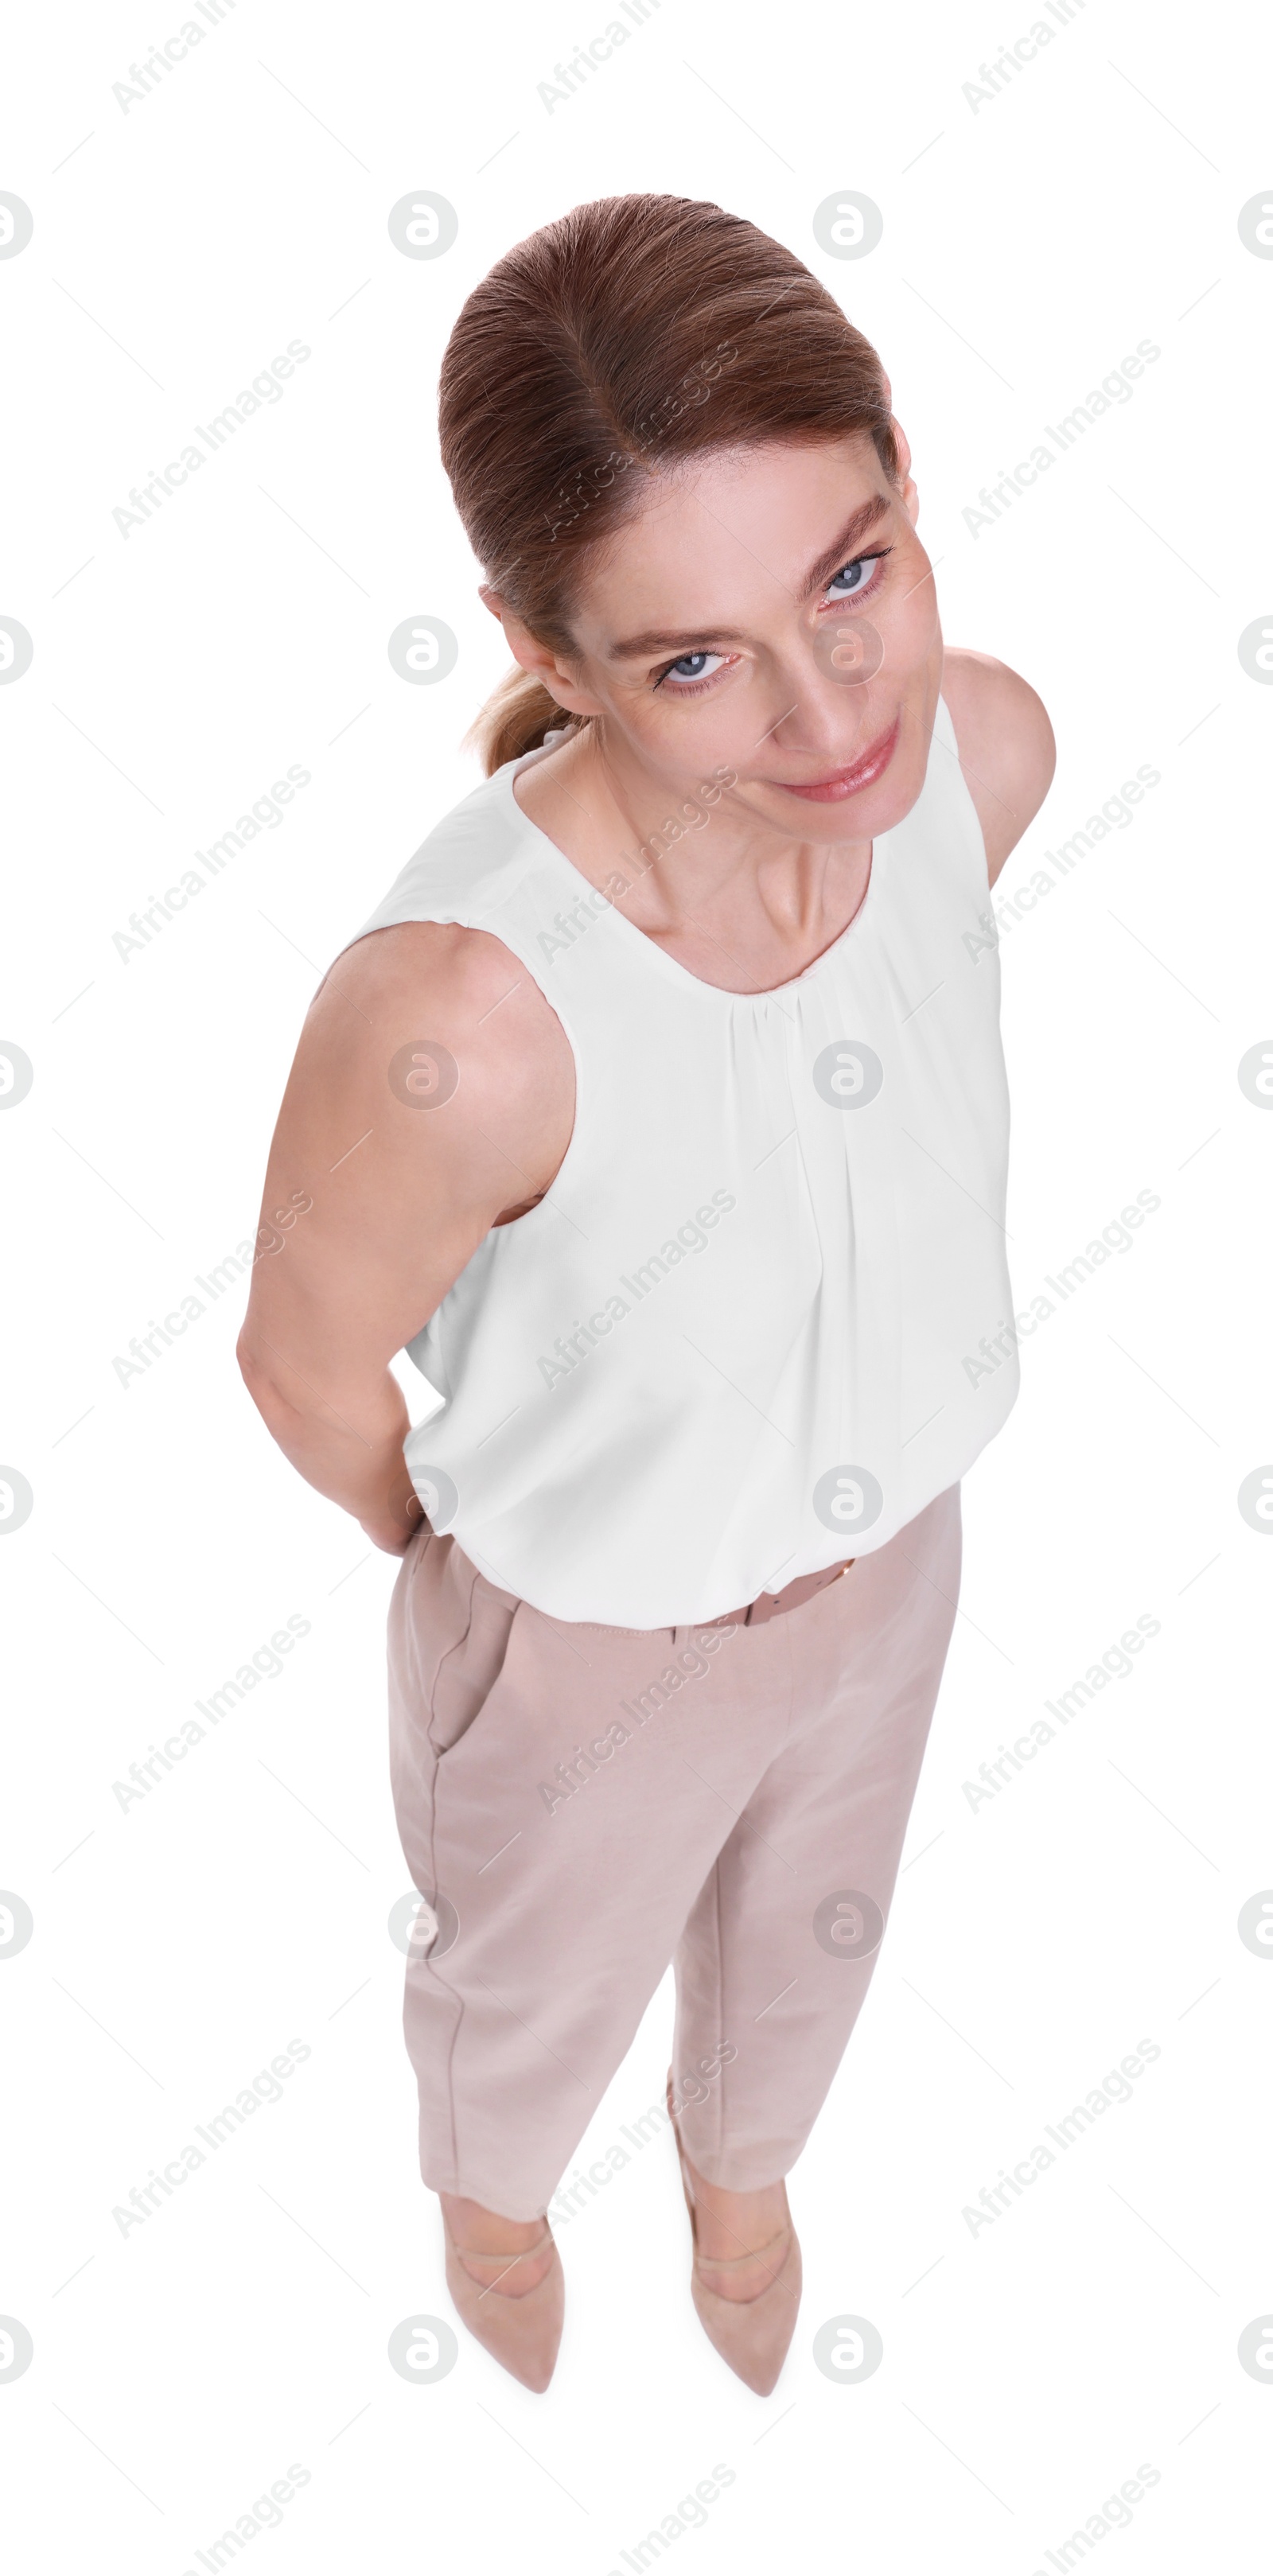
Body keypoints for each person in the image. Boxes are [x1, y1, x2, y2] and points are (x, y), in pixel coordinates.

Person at [237, 193, 1054, 2397]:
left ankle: (741, 2175)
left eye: (850, 573)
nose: (827, 714)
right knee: (527, 2007)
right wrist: (487, 1557)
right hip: (590, 1641)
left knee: (810, 1947)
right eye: (695, 658)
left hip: (896, 1561)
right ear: (549, 648)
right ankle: (494, 2216)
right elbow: (303, 1368)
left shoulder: (978, 759)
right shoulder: (467, 1022)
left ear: (897, 470)